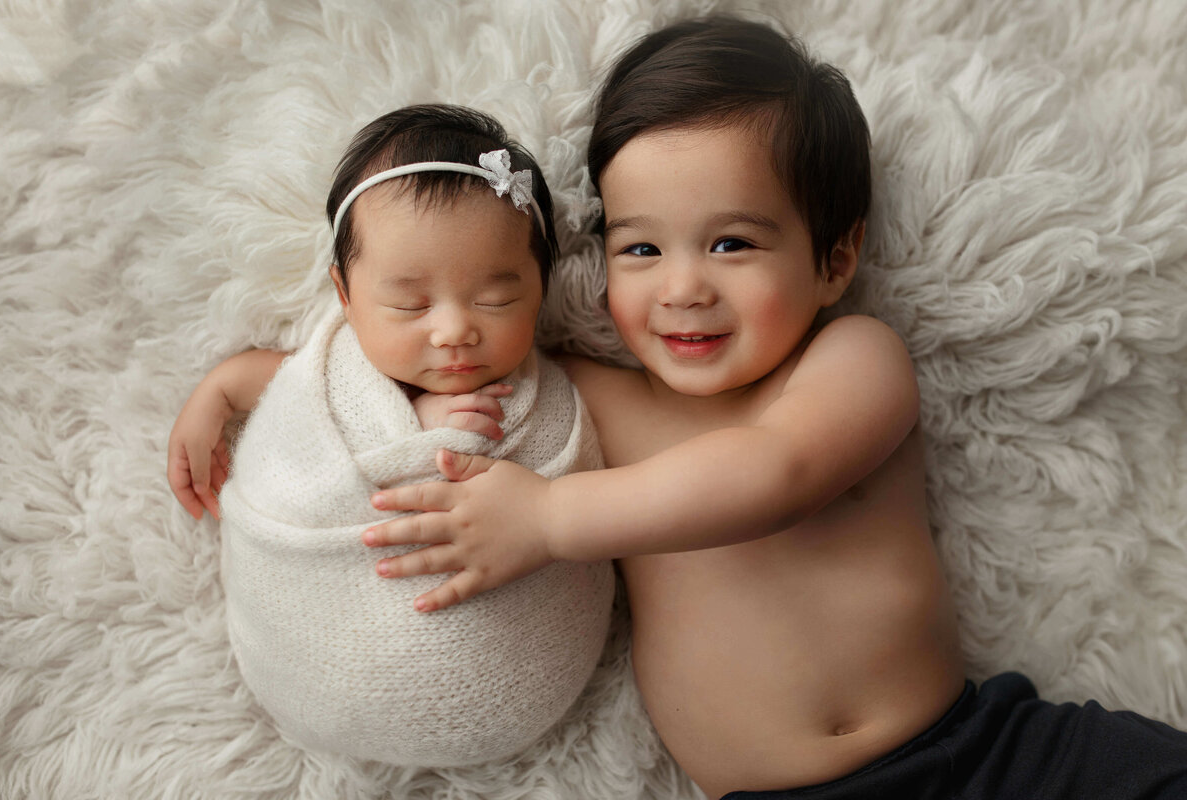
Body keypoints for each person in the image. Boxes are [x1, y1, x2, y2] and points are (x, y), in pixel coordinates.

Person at [356, 17, 1187, 800]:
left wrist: (547, 518)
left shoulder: (852, 361)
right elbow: (411, 351)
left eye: (733, 244)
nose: (683, 287)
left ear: (834, 258)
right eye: (641, 248)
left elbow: (774, 471)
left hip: (984, 762)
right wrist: (238, 385)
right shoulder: (590, 399)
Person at [167, 104, 613, 767]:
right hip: (316, 651)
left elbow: (581, 504)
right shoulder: (333, 371)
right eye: (409, 304)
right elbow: (291, 388)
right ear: (345, 297)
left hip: (510, 680)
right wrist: (217, 394)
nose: (453, 330)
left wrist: (446, 445)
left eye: (495, 299)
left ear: (541, 287)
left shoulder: (548, 399)